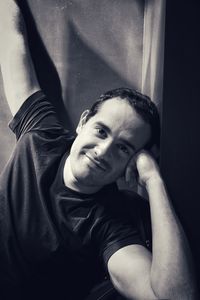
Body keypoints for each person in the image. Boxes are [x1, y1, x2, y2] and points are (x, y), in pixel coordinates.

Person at [0, 1, 198, 300]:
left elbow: (174, 297)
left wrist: (153, 180)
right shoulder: (40, 135)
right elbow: (13, 42)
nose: (103, 151)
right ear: (83, 122)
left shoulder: (108, 222)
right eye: (101, 131)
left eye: (122, 148)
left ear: (132, 161)